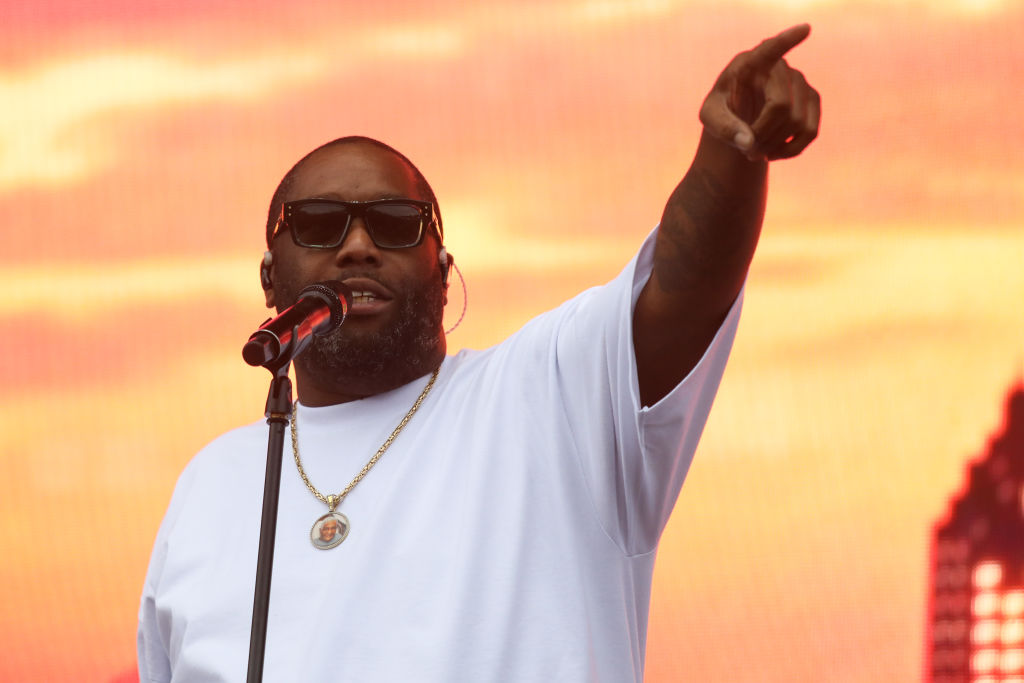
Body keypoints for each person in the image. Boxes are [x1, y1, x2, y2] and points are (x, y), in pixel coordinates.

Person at [138, 25, 820, 682]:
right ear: (269, 278)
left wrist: (731, 151)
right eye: (319, 224)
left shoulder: (545, 396)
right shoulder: (209, 484)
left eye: (397, 225)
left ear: (443, 273)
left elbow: (684, 285)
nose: (358, 246)